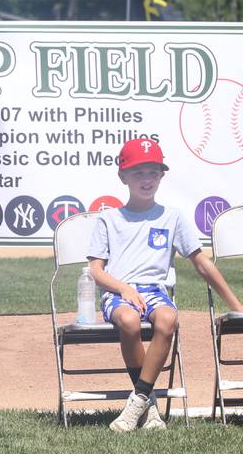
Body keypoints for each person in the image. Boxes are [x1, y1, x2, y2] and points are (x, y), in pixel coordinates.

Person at [87, 137, 243, 432]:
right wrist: (123, 288)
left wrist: (236, 306)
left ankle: (139, 402)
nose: (146, 179)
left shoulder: (172, 217)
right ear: (123, 176)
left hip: (155, 292)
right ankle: (149, 407)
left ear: (161, 176)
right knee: (130, 321)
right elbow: (96, 271)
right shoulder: (109, 219)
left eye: (153, 172)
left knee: (168, 318)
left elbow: (201, 263)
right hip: (118, 292)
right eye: (138, 172)